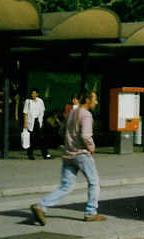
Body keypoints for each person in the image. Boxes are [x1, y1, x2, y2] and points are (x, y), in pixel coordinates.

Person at [30, 90, 106, 224]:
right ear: (87, 100)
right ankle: (91, 212)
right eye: (94, 99)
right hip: (81, 154)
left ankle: (41, 206)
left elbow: (61, 130)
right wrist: (92, 147)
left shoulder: (71, 113)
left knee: (66, 186)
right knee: (94, 183)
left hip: (68, 155)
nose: (96, 102)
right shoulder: (86, 115)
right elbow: (86, 136)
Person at [22, 88, 51, 159]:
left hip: (38, 120)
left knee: (42, 137)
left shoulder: (40, 101)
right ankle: (30, 154)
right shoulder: (28, 101)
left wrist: (42, 121)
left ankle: (45, 154)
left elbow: (42, 111)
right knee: (31, 138)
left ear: (37, 94)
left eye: (35, 93)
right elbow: (25, 112)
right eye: (32, 93)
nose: (33, 95)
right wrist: (25, 122)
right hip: (30, 121)